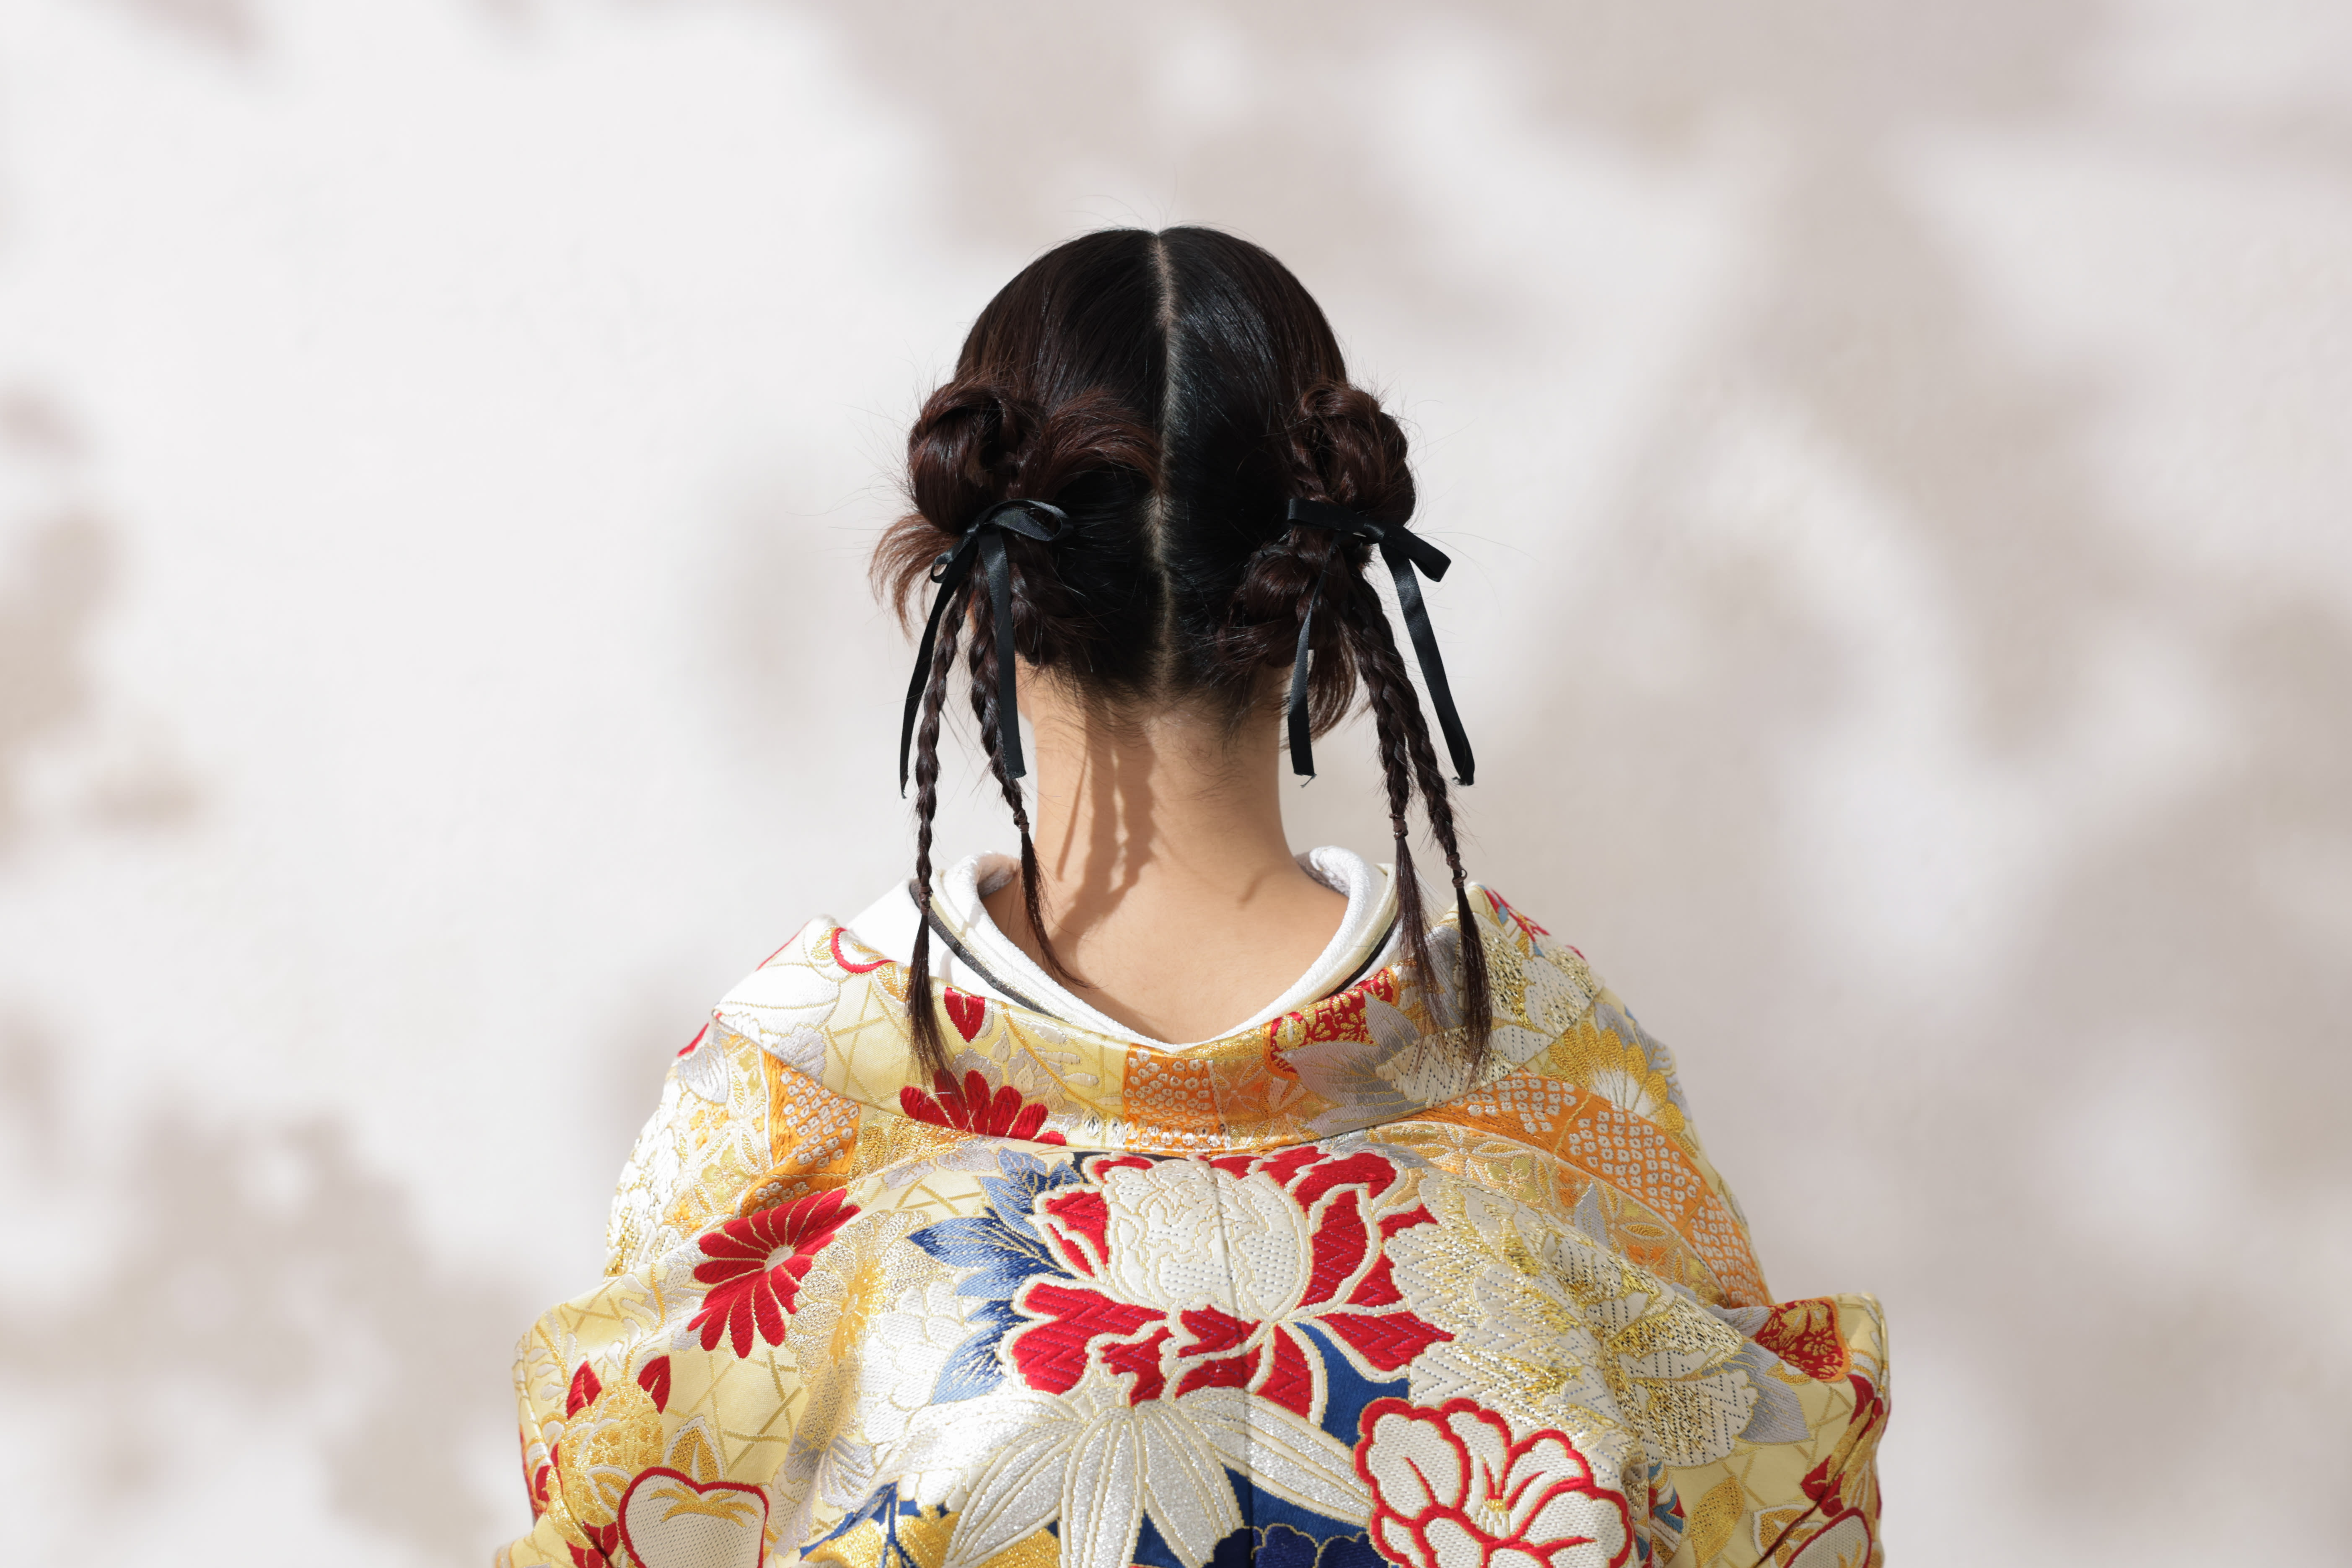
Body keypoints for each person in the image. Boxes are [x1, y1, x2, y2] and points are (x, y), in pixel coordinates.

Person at [497, 228, 1887, 1568]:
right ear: (1322, 596)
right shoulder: (1541, 1059)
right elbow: (1768, 1511)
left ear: (974, 592)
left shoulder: (797, 1080)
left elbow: (624, 1519)